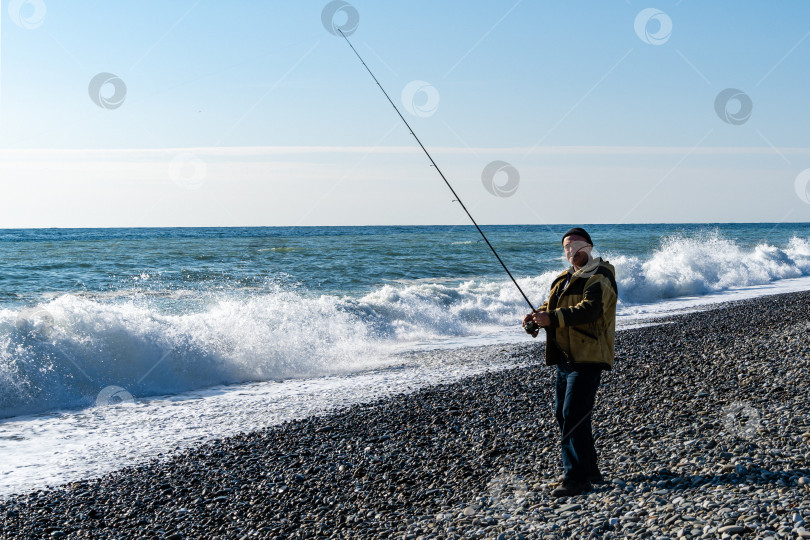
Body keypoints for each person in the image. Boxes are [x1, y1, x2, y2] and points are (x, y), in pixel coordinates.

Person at [522, 227, 617, 497]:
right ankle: (589, 471)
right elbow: (548, 306)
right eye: (566, 247)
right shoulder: (562, 279)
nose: (570, 250)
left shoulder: (601, 275)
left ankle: (575, 478)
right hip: (565, 358)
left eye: (575, 245)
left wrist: (552, 318)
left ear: (588, 247)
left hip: (588, 356)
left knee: (572, 415)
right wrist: (536, 317)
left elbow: (591, 309)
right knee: (566, 416)